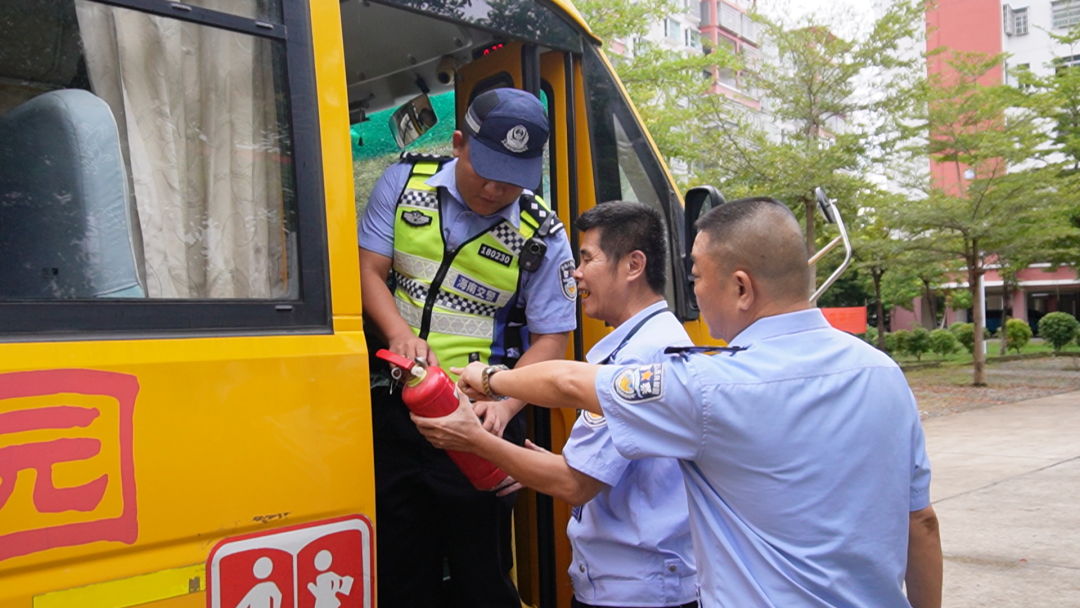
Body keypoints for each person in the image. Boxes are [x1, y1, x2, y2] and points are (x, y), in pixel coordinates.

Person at [430, 197, 944, 608]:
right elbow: (919, 522)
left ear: (742, 287)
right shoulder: (884, 373)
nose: (693, 293)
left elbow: (570, 386)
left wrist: (490, 380)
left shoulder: (711, 385)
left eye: (697, 276)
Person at [414, 201, 698, 608]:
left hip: (638, 593)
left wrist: (474, 439)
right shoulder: (646, 341)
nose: (576, 273)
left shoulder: (641, 355)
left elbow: (574, 483)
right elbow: (607, 471)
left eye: (587, 258)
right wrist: (524, 463)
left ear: (634, 265)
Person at [357, 88, 576, 607]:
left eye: (514, 178)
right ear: (459, 144)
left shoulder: (541, 233)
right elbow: (368, 268)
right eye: (488, 169)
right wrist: (397, 333)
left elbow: (553, 339)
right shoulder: (402, 183)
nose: (498, 188)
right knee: (400, 570)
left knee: (482, 575)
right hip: (396, 409)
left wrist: (505, 406)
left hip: (479, 421)